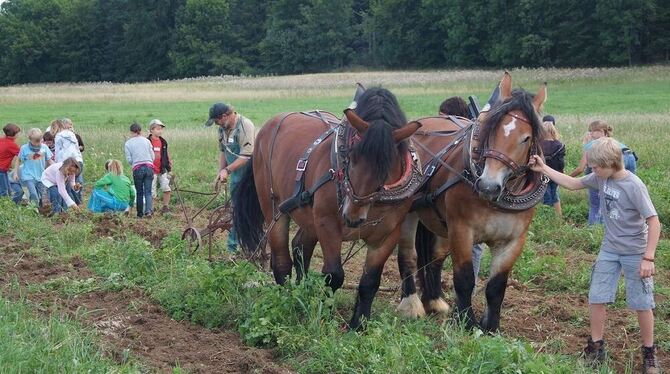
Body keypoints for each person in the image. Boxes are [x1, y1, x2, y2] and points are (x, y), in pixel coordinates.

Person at [529, 137, 660, 372]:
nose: (594, 171)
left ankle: (649, 353)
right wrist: (543, 168)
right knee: (596, 297)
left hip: (635, 252)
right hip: (609, 250)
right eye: (592, 167)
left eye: (597, 167)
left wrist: (648, 257)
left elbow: (654, 221)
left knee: (642, 303)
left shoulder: (634, 185)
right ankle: (596, 347)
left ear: (612, 163)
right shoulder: (601, 177)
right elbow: (571, 183)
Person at [205, 102, 255, 252]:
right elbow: (223, 151)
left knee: (243, 212)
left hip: (248, 176)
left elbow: (247, 155)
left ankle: (238, 246)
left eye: (217, 121)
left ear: (225, 116)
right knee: (236, 211)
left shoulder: (245, 125)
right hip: (235, 176)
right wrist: (221, 172)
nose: (216, 124)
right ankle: (235, 246)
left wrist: (227, 169)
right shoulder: (222, 129)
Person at [570, 120, 637, 225]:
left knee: (596, 202)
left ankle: (594, 228)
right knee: (626, 194)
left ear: (601, 131)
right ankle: (623, 223)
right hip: (629, 156)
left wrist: (568, 177)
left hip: (616, 159)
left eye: (592, 131)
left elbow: (580, 168)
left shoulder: (592, 144)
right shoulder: (611, 141)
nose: (590, 134)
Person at [124, 122, 154, 218]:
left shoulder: (128, 143)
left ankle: (140, 214)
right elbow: (152, 155)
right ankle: (148, 211)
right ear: (140, 131)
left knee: (139, 192)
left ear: (131, 132)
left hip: (138, 168)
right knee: (148, 191)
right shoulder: (147, 141)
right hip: (149, 167)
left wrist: (135, 163)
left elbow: (129, 159)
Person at [52, 119, 84, 205]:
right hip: (78, 162)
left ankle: (69, 208)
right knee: (75, 184)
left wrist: (57, 165)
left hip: (67, 164)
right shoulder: (72, 135)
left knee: (66, 188)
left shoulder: (58, 136)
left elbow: (58, 152)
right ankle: (78, 204)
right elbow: (77, 149)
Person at [18, 128, 53, 206]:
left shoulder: (44, 147)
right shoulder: (24, 148)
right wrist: (15, 173)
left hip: (41, 175)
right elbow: (18, 160)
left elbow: (50, 160)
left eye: (39, 140)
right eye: (35, 141)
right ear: (30, 139)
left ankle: (42, 210)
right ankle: (34, 210)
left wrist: (57, 167)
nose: (37, 143)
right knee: (33, 194)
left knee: (44, 195)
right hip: (28, 176)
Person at [541, 118, 565, 217]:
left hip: (542, 174)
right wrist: (561, 172)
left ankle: (547, 217)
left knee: (546, 196)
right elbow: (561, 162)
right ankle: (558, 217)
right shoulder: (559, 145)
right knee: (555, 195)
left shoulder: (539, 144)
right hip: (556, 174)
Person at [147, 119, 172, 214]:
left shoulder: (163, 142)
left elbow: (166, 155)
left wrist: (169, 169)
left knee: (166, 188)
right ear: (151, 130)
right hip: (151, 170)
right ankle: (150, 209)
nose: (160, 131)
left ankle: (165, 207)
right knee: (151, 191)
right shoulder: (147, 141)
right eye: (157, 129)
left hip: (162, 169)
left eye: (161, 129)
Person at [0, 123, 21, 199]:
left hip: (3, 170)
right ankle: (4, 207)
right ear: (14, 134)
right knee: (3, 191)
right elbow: (22, 154)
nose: (19, 134)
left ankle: (8, 206)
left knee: (9, 189)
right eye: (18, 132)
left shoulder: (1, 140)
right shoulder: (12, 145)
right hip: (1, 170)